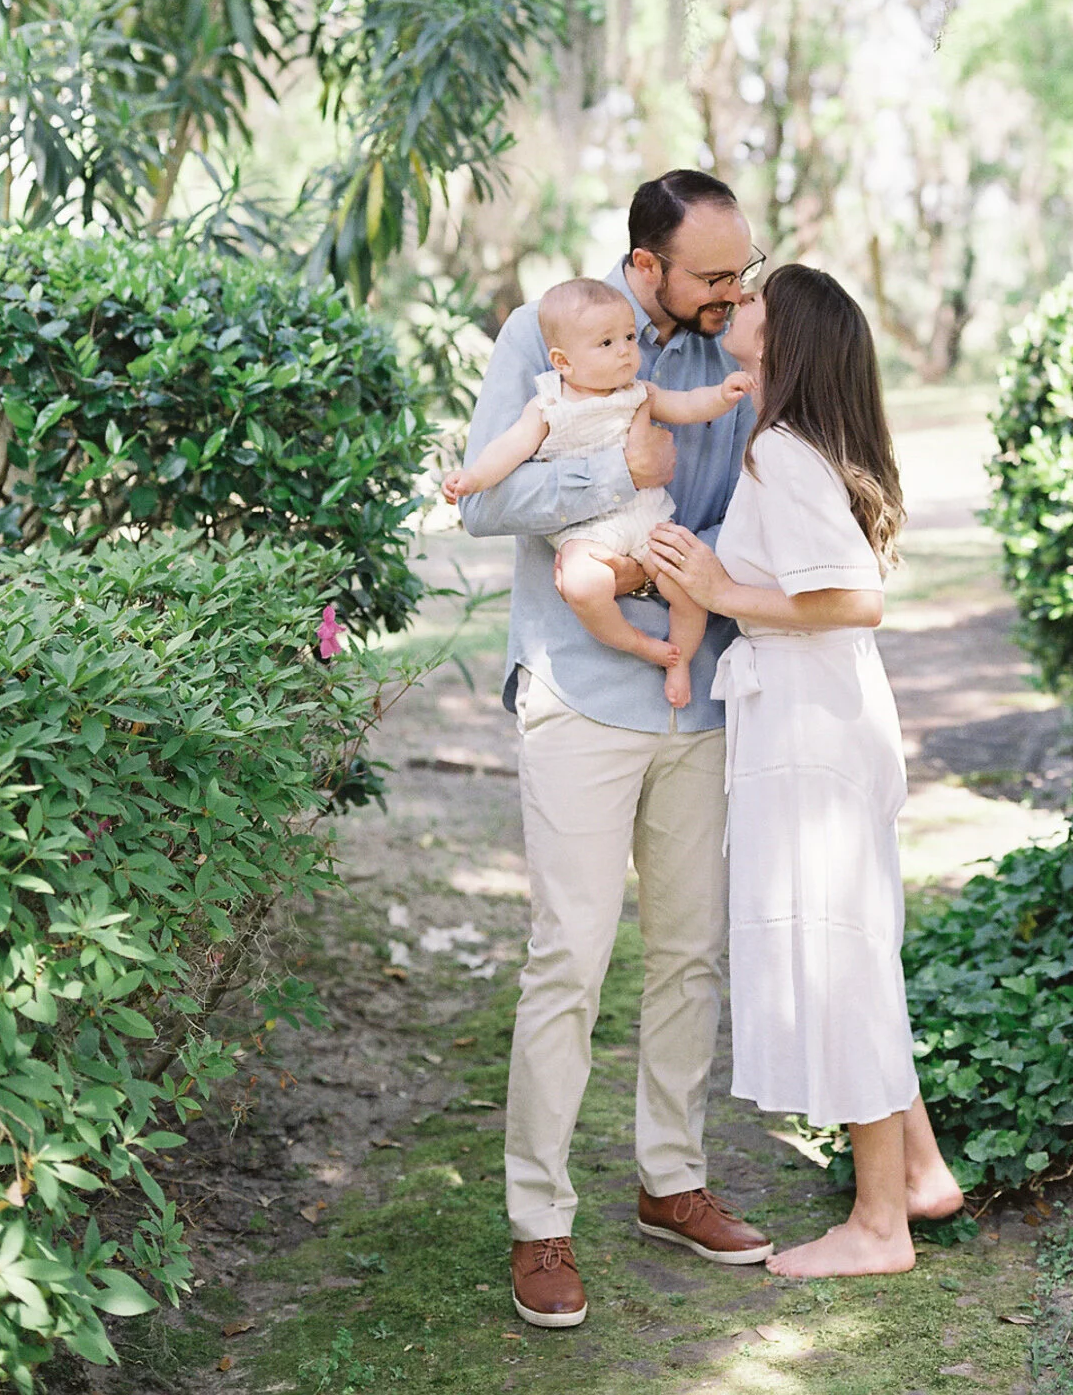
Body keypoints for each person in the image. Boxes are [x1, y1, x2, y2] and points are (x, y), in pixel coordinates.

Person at [457, 171, 773, 1330]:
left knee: (689, 952)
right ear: (645, 265)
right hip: (581, 691)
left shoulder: (735, 345)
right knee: (570, 960)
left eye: (741, 270)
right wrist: (619, 479)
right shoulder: (542, 334)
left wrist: (683, 562)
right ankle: (539, 1222)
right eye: (710, 274)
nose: (731, 292)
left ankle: (670, 1180)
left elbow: (754, 494)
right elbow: (485, 502)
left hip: (702, 687)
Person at [649, 262, 965, 1278]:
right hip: (817, 710)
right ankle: (918, 1169)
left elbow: (855, 597)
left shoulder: (781, 451)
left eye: (755, 298)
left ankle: (878, 1226)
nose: (737, 302)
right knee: (851, 942)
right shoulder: (792, 441)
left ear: (785, 336)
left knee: (841, 958)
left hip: (811, 726)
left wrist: (717, 588)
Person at [443, 278, 754, 708]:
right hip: (588, 529)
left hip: (647, 518)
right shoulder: (549, 404)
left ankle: (679, 660)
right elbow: (509, 449)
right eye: (606, 343)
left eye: (628, 337)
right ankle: (639, 644)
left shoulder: (638, 393)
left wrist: (721, 395)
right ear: (563, 362)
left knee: (685, 586)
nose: (625, 351)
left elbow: (687, 405)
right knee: (582, 584)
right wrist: (473, 478)